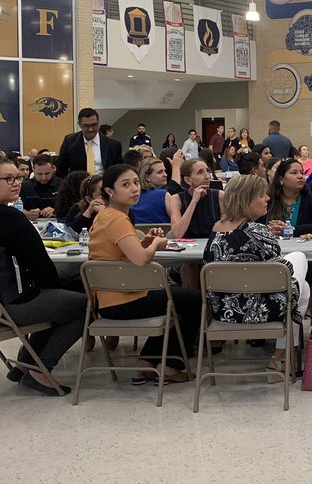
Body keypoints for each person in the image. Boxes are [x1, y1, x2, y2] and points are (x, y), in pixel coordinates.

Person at [0, 149, 85, 396]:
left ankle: (25, 365)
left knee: (64, 299)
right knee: (88, 305)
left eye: (17, 178)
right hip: (8, 305)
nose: (16, 183)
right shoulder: (11, 218)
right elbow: (41, 265)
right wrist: (57, 289)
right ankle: (42, 370)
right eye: (8, 179)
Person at [87, 164, 198, 384]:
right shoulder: (118, 218)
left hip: (107, 298)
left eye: (136, 183)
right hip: (122, 300)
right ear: (110, 191)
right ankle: (170, 367)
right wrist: (156, 243)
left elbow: (121, 253)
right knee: (194, 300)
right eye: (126, 185)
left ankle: (147, 362)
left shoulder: (106, 216)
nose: (134, 189)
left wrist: (143, 242)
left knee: (178, 299)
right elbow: (140, 259)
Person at [203, 174, 310, 382]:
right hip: (260, 310)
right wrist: (284, 260)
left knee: (303, 287)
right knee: (299, 261)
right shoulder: (258, 231)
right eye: (262, 195)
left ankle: (281, 359)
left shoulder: (215, 231)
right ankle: (280, 358)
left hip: (223, 310)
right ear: (246, 199)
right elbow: (282, 273)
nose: (268, 199)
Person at [267, 159, 312, 240]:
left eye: (302, 173)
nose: (300, 176)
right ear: (281, 179)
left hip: (304, 249)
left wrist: (291, 230)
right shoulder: (269, 200)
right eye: (294, 173)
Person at [56, 107, 123, 178]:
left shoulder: (113, 145)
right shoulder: (69, 142)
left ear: (98, 122)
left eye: (94, 125)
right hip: (78, 186)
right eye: (86, 126)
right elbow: (61, 171)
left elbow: (119, 172)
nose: (90, 129)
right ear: (79, 124)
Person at [167, 158, 222, 239]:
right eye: (200, 172)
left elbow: (228, 230)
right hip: (187, 248)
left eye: (207, 171)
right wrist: (194, 201)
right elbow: (177, 234)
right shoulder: (176, 199)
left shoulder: (220, 195)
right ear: (188, 180)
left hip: (212, 246)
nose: (207, 176)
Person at [20, 153, 61, 219]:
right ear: (33, 170)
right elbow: (17, 209)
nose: (43, 178)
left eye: (47, 173)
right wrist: (26, 214)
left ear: (53, 169)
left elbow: (71, 210)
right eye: (39, 174)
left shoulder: (63, 185)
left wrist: (57, 212)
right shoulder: (25, 186)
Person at [132, 158, 171, 225]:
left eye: (165, 171)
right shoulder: (163, 195)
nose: (165, 175)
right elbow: (178, 223)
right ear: (147, 177)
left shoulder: (130, 196)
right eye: (160, 172)